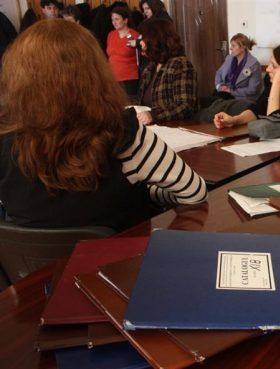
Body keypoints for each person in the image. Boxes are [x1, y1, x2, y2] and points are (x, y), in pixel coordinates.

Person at [0, 19, 207, 231]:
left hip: (26, 254)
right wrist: (144, 190)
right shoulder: (126, 135)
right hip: (123, 251)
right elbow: (194, 191)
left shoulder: (6, 141)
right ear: (95, 73)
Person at [136, 18, 198, 125]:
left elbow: (185, 106)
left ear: (154, 39)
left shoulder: (180, 64)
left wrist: (153, 115)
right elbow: (142, 102)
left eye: (143, 38)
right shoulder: (150, 67)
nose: (140, 42)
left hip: (176, 128)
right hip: (153, 127)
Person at [214, 33, 263, 102]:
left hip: (242, 97)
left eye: (233, 46)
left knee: (214, 102)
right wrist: (219, 86)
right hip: (226, 92)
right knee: (211, 98)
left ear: (243, 47)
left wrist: (230, 91)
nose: (230, 48)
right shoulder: (229, 58)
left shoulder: (254, 64)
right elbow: (219, 73)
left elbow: (253, 89)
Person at [107, 6, 140, 100]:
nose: (114, 22)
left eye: (117, 19)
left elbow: (141, 56)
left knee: (129, 105)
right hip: (112, 78)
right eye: (112, 19)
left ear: (125, 20)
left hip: (129, 78)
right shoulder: (111, 35)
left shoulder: (135, 35)